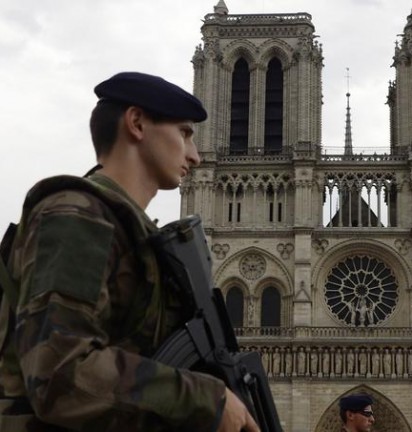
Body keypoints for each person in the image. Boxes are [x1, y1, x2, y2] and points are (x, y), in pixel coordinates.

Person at [0, 72, 259, 431]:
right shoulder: (76, 215)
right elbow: (58, 372)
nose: (195, 156)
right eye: (184, 133)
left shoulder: (132, 231)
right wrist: (204, 400)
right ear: (137, 123)